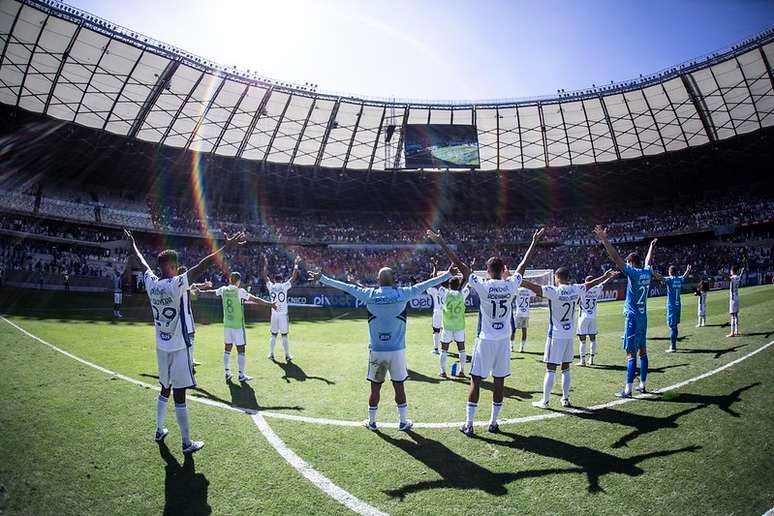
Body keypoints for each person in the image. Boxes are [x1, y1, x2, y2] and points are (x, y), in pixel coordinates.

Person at [309, 230, 465, 432]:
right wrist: (447, 275)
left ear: (378, 279)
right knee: (399, 386)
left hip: (377, 350)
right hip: (397, 351)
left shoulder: (369, 294)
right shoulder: (403, 293)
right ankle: (403, 422)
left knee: (375, 387)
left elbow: (346, 287)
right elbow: (426, 284)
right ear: (394, 280)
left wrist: (323, 278)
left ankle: (372, 422)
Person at [125, 228, 247, 454]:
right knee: (179, 394)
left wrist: (133, 245)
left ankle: (160, 429)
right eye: (176, 265)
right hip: (179, 347)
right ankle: (186, 443)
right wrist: (225, 248)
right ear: (172, 266)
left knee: (164, 388)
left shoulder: (152, 283)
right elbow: (203, 265)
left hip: (161, 347)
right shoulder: (176, 284)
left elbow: (142, 264)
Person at [459, 227, 544, 436]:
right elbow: (523, 266)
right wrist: (534, 242)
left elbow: (463, 268)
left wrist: (442, 243)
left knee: (476, 380)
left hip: (485, 339)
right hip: (503, 340)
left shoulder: (484, 285)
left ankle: (469, 425)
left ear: (487, 271)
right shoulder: (510, 286)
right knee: (499, 382)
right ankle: (493, 423)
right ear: (502, 269)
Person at [524, 268, 618, 408]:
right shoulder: (576, 289)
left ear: (556, 277)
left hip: (555, 335)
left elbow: (535, 287)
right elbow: (591, 284)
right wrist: (604, 276)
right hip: (569, 335)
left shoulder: (554, 291)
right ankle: (565, 399)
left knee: (550, 368)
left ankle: (545, 401)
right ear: (569, 277)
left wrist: (518, 280)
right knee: (566, 368)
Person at [594, 227, 655, 398]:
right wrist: (651, 246)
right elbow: (649, 261)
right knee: (643, 351)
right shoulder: (646, 272)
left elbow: (616, 258)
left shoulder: (634, 273)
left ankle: (627, 390)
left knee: (630, 353)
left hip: (633, 317)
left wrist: (604, 240)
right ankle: (642, 385)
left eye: (627, 263)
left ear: (630, 262)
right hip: (643, 316)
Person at [199, 272, 276, 382]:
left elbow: (212, 292)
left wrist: (201, 291)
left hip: (227, 325)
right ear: (238, 281)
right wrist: (270, 304)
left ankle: (227, 372)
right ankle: (241, 375)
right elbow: (255, 299)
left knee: (227, 349)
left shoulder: (223, 289)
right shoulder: (240, 291)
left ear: (230, 279)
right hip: (238, 326)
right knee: (241, 349)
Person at [577, 271, 619, 366]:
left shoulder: (583, 289)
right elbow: (604, 283)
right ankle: (591, 360)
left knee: (582, 340)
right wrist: (610, 276)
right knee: (593, 339)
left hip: (583, 317)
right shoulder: (597, 289)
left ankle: (582, 361)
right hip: (593, 317)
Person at [263, 255, 301, 362]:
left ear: (274, 280)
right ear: (282, 280)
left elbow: (264, 276)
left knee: (274, 335)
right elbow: (293, 278)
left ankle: (271, 354)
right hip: (283, 314)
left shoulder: (271, 286)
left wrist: (265, 264)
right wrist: (296, 264)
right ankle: (287, 355)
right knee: (284, 335)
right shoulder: (284, 286)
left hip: (274, 314)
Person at [438, 269, 471, 378]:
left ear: (449, 285)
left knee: (444, 350)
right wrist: (469, 271)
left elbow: (438, 283)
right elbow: (468, 285)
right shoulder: (462, 294)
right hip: (459, 326)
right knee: (462, 349)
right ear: (458, 285)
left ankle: (443, 372)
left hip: (447, 326)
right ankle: (461, 371)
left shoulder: (445, 293)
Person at [178, 265, 212, 367]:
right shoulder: (183, 283)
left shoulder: (177, 282)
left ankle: (188, 359)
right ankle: (189, 360)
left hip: (182, 314)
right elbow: (194, 291)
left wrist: (204, 285)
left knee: (184, 337)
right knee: (190, 336)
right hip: (185, 315)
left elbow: (193, 286)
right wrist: (202, 288)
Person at [662, 261, 691, 353]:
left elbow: (661, 278)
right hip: (678, 305)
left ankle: (673, 347)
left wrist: (651, 271)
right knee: (674, 326)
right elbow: (684, 277)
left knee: (672, 326)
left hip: (672, 306)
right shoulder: (678, 279)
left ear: (670, 272)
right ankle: (673, 345)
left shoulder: (669, 279)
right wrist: (687, 271)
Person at [425, 257, 445, 355]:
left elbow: (433, 281)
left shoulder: (433, 290)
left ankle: (436, 349)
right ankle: (445, 348)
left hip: (437, 312)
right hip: (446, 312)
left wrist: (435, 268)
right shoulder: (446, 290)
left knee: (436, 330)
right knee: (446, 330)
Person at [510, 287, 533, 352]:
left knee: (513, 330)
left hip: (518, 313)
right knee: (524, 331)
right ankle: (522, 348)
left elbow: (512, 296)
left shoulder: (518, 290)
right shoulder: (529, 290)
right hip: (526, 313)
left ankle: (511, 346)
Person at [728, 265, 744, 337]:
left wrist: (722, 273)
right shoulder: (737, 277)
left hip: (733, 299)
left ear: (732, 271)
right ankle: (736, 331)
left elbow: (728, 279)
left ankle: (732, 332)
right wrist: (742, 271)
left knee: (732, 315)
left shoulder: (733, 277)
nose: (730, 272)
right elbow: (740, 275)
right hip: (737, 297)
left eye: (730, 271)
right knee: (736, 315)